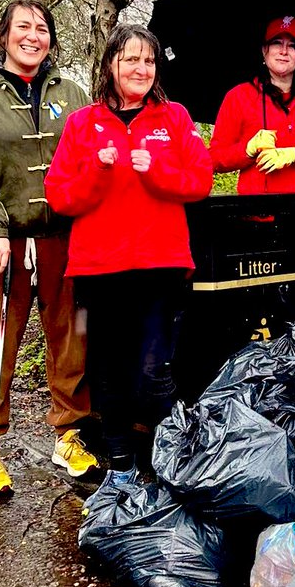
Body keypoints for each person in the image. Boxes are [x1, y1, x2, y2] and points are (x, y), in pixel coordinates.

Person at [45, 24, 213, 486]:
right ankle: (120, 466)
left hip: (161, 266)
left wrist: (156, 170)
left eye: (148, 61)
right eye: (130, 60)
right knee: (110, 371)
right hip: (101, 269)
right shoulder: (84, 123)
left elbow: (200, 181)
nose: (140, 69)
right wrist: (98, 173)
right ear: (110, 66)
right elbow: (59, 196)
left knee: (153, 373)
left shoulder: (175, 117)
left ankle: (170, 465)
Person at [0, 0, 97, 495]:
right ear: (4, 35)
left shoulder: (72, 92)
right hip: (2, 243)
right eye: (23, 27)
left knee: (72, 337)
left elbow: (87, 162)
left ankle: (70, 434)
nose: (33, 36)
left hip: (63, 240)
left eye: (42, 28)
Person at [210, 15, 295, 338]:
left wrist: (294, 154)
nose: (283, 52)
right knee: (276, 314)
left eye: (291, 46)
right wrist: (249, 148)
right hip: (258, 222)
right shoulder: (239, 97)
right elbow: (214, 158)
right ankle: (282, 379)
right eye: (276, 44)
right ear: (263, 52)